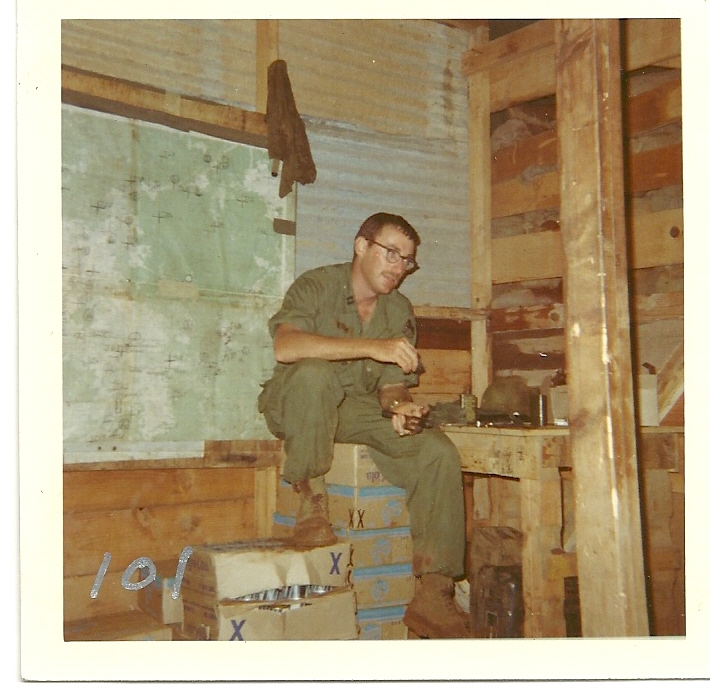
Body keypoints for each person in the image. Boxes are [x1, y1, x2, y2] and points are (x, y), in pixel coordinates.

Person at [258, 212, 468, 639]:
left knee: (437, 452)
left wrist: (401, 408)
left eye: (407, 260)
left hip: (354, 409)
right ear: (361, 246)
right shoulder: (317, 285)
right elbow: (286, 347)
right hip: (298, 402)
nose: (399, 267)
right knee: (314, 374)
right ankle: (311, 501)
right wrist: (373, 346)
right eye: (391, 253)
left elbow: (392, 387)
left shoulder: (398, 309)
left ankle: (434, 591)